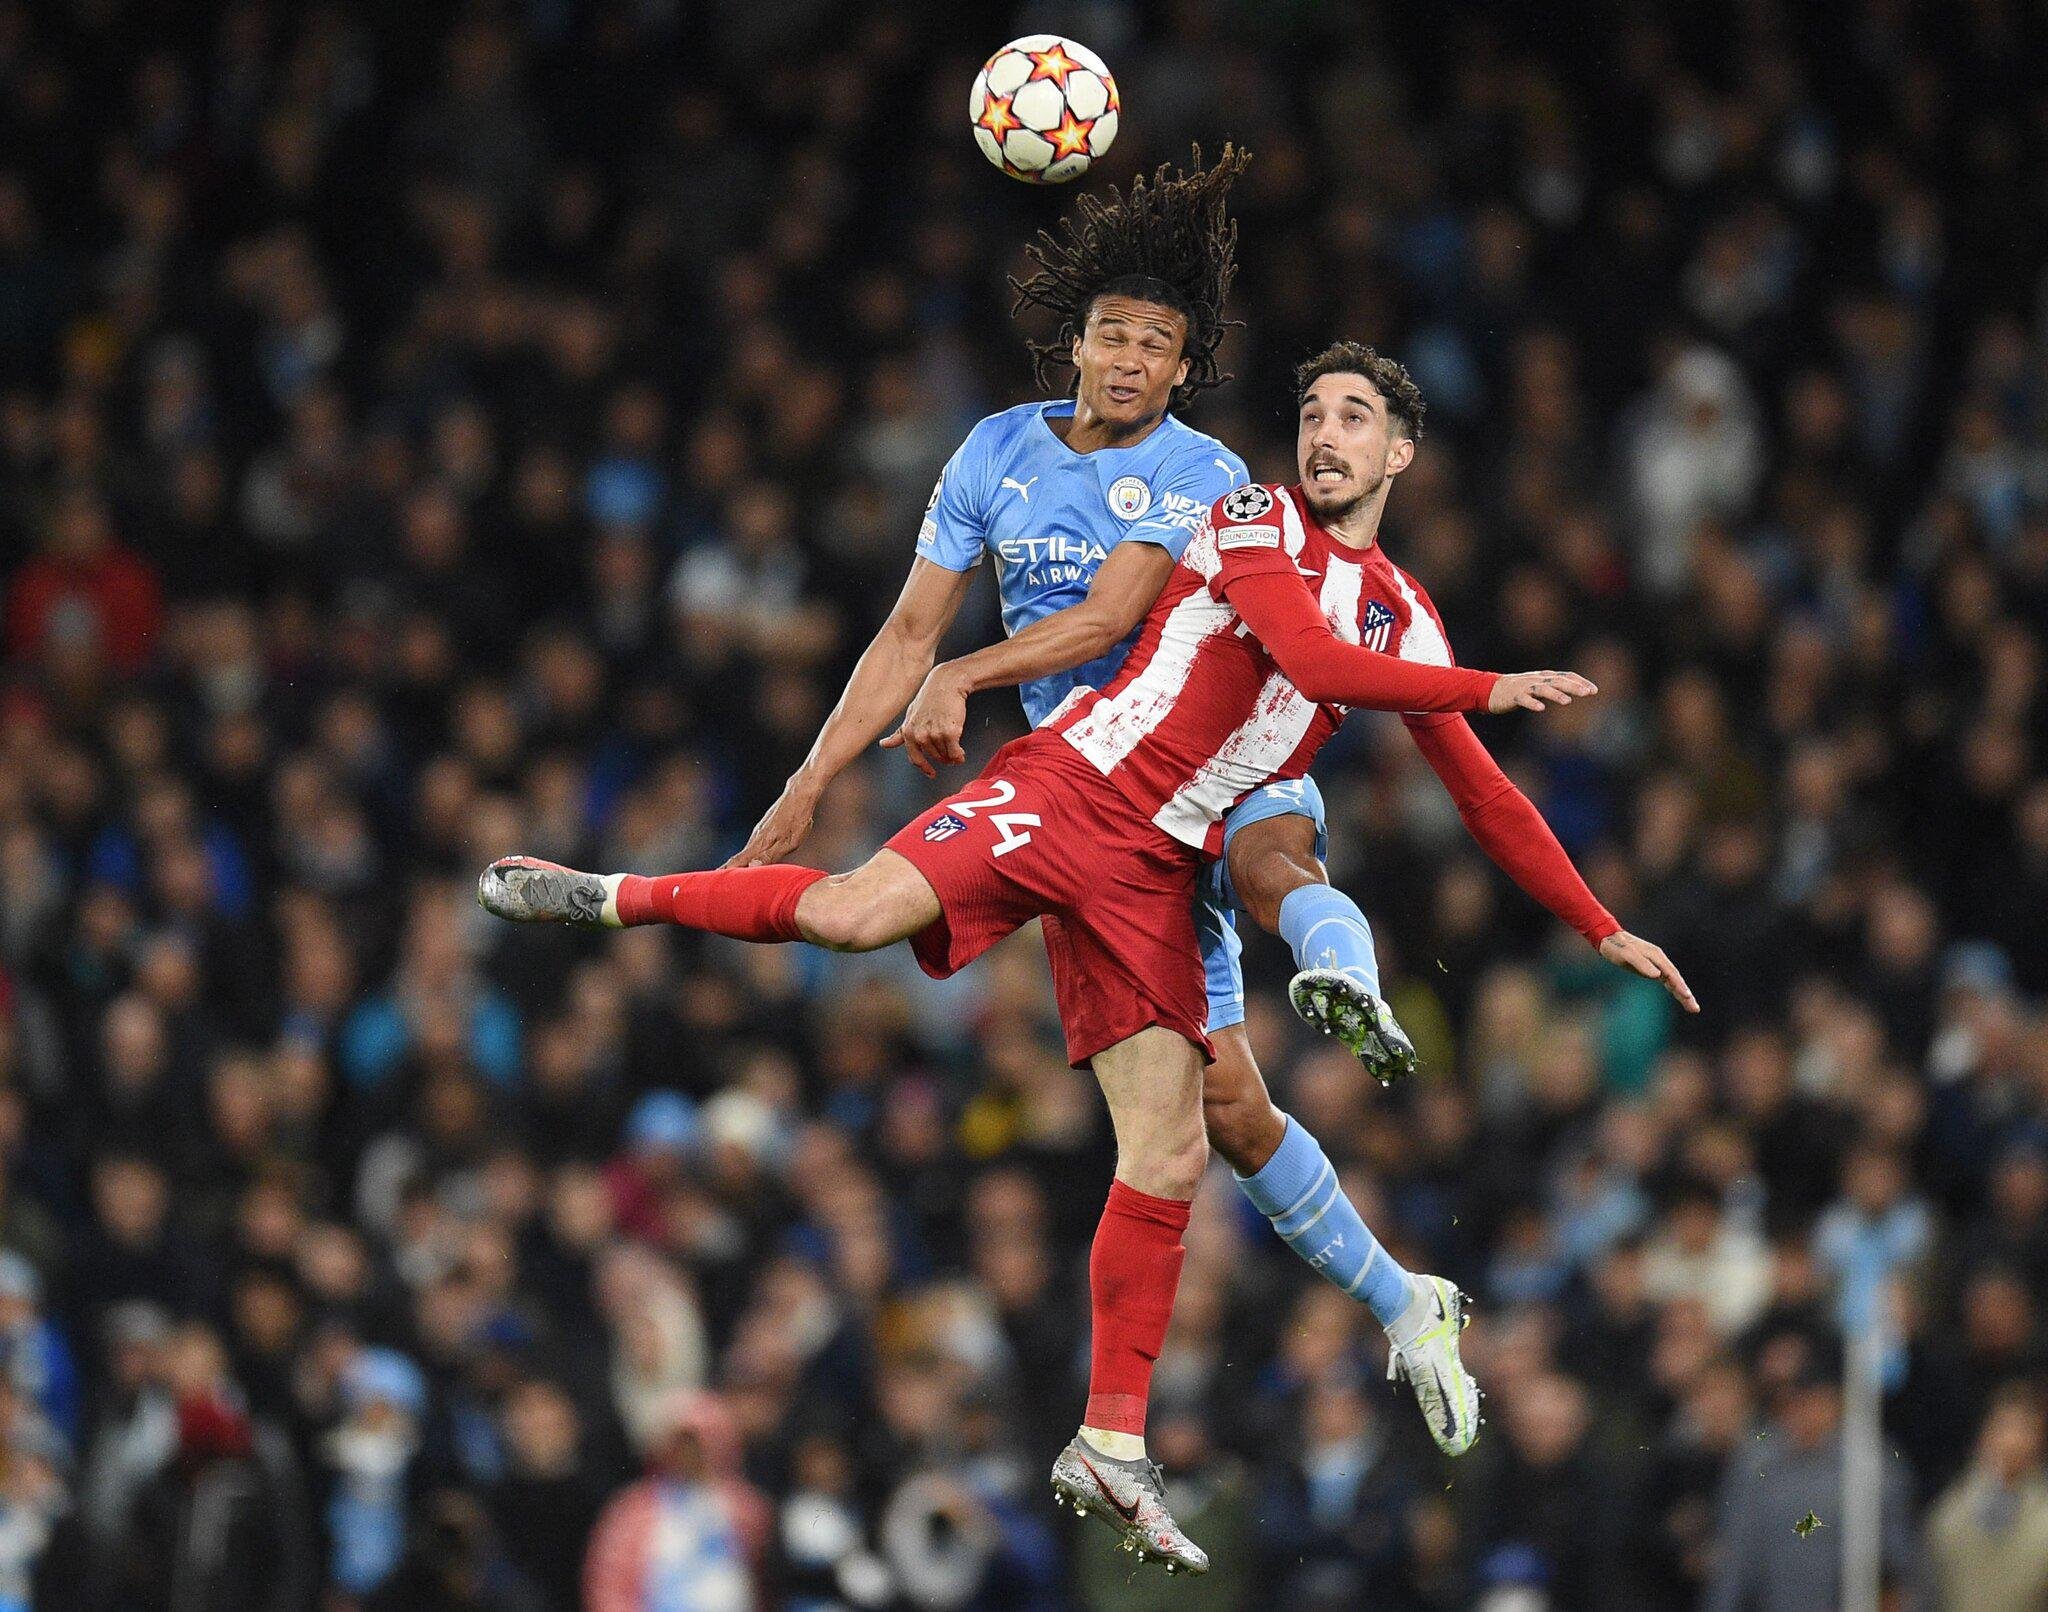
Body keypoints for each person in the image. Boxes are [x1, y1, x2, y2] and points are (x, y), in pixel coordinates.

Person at [479, 343, 1643, 1571]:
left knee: (1186, 1139)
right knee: (851, 917)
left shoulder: (1400, 612)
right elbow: (1308, 662)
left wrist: (1602, 924)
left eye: (1353, 417)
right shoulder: (1249, 516)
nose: (1323, 433)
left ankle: (1114, 1440)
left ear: (1399, 452)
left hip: (1163, 866)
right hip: (1080, 786)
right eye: (1310, 411)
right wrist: (1486, 680)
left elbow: (1484, 796)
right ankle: (612, 894)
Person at [737, 147, 1454, 1449]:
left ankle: (1350, 974)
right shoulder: (993, 453)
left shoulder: (1203, 474)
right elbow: (904, 634)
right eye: (1112, 335)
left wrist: (968, 672)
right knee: (1230, 1111)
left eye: (1157, 345)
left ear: (1185, 370)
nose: (1130, 359)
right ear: (1073, 344)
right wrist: (809, 780)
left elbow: (1115, 612)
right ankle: (1410, 1301)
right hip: (1088, 814)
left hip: (1205, 761)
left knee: (1273, 860)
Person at [1923, 1387, 2048, 1612]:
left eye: (2024, 1430)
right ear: (1985, 1436)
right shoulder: (1953, 1510)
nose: (2013, 1441)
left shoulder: (2043, 1517)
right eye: (2004, 1428)